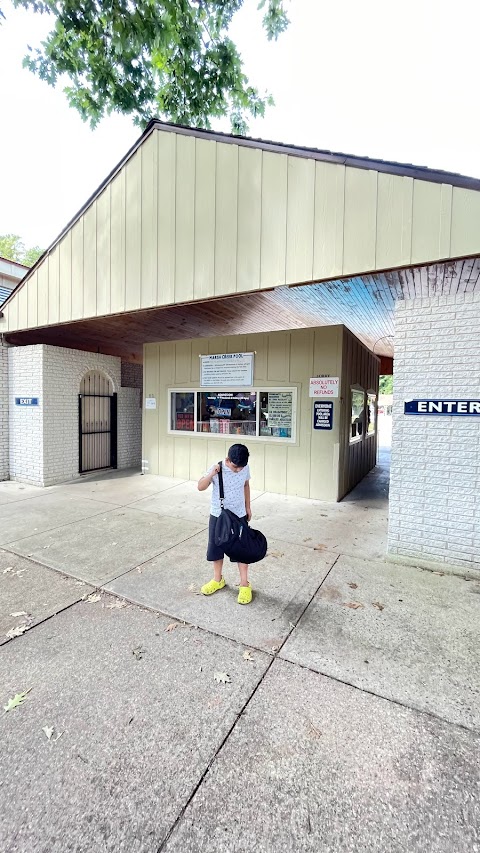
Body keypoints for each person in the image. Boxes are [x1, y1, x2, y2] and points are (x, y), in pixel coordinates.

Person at [197, 443, 252, 605]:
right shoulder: (217, 468)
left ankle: (244, 584)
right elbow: (200, 487)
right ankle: (217, 579)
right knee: (216, 548)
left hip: (239, 515)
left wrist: (248, 506)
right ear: (228, 460)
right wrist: (211, 474)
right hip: (219, 516)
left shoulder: (244, 466)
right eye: (236, 467)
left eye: (241, 467)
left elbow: (246, 485)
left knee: (242, 550)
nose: (238, 470)